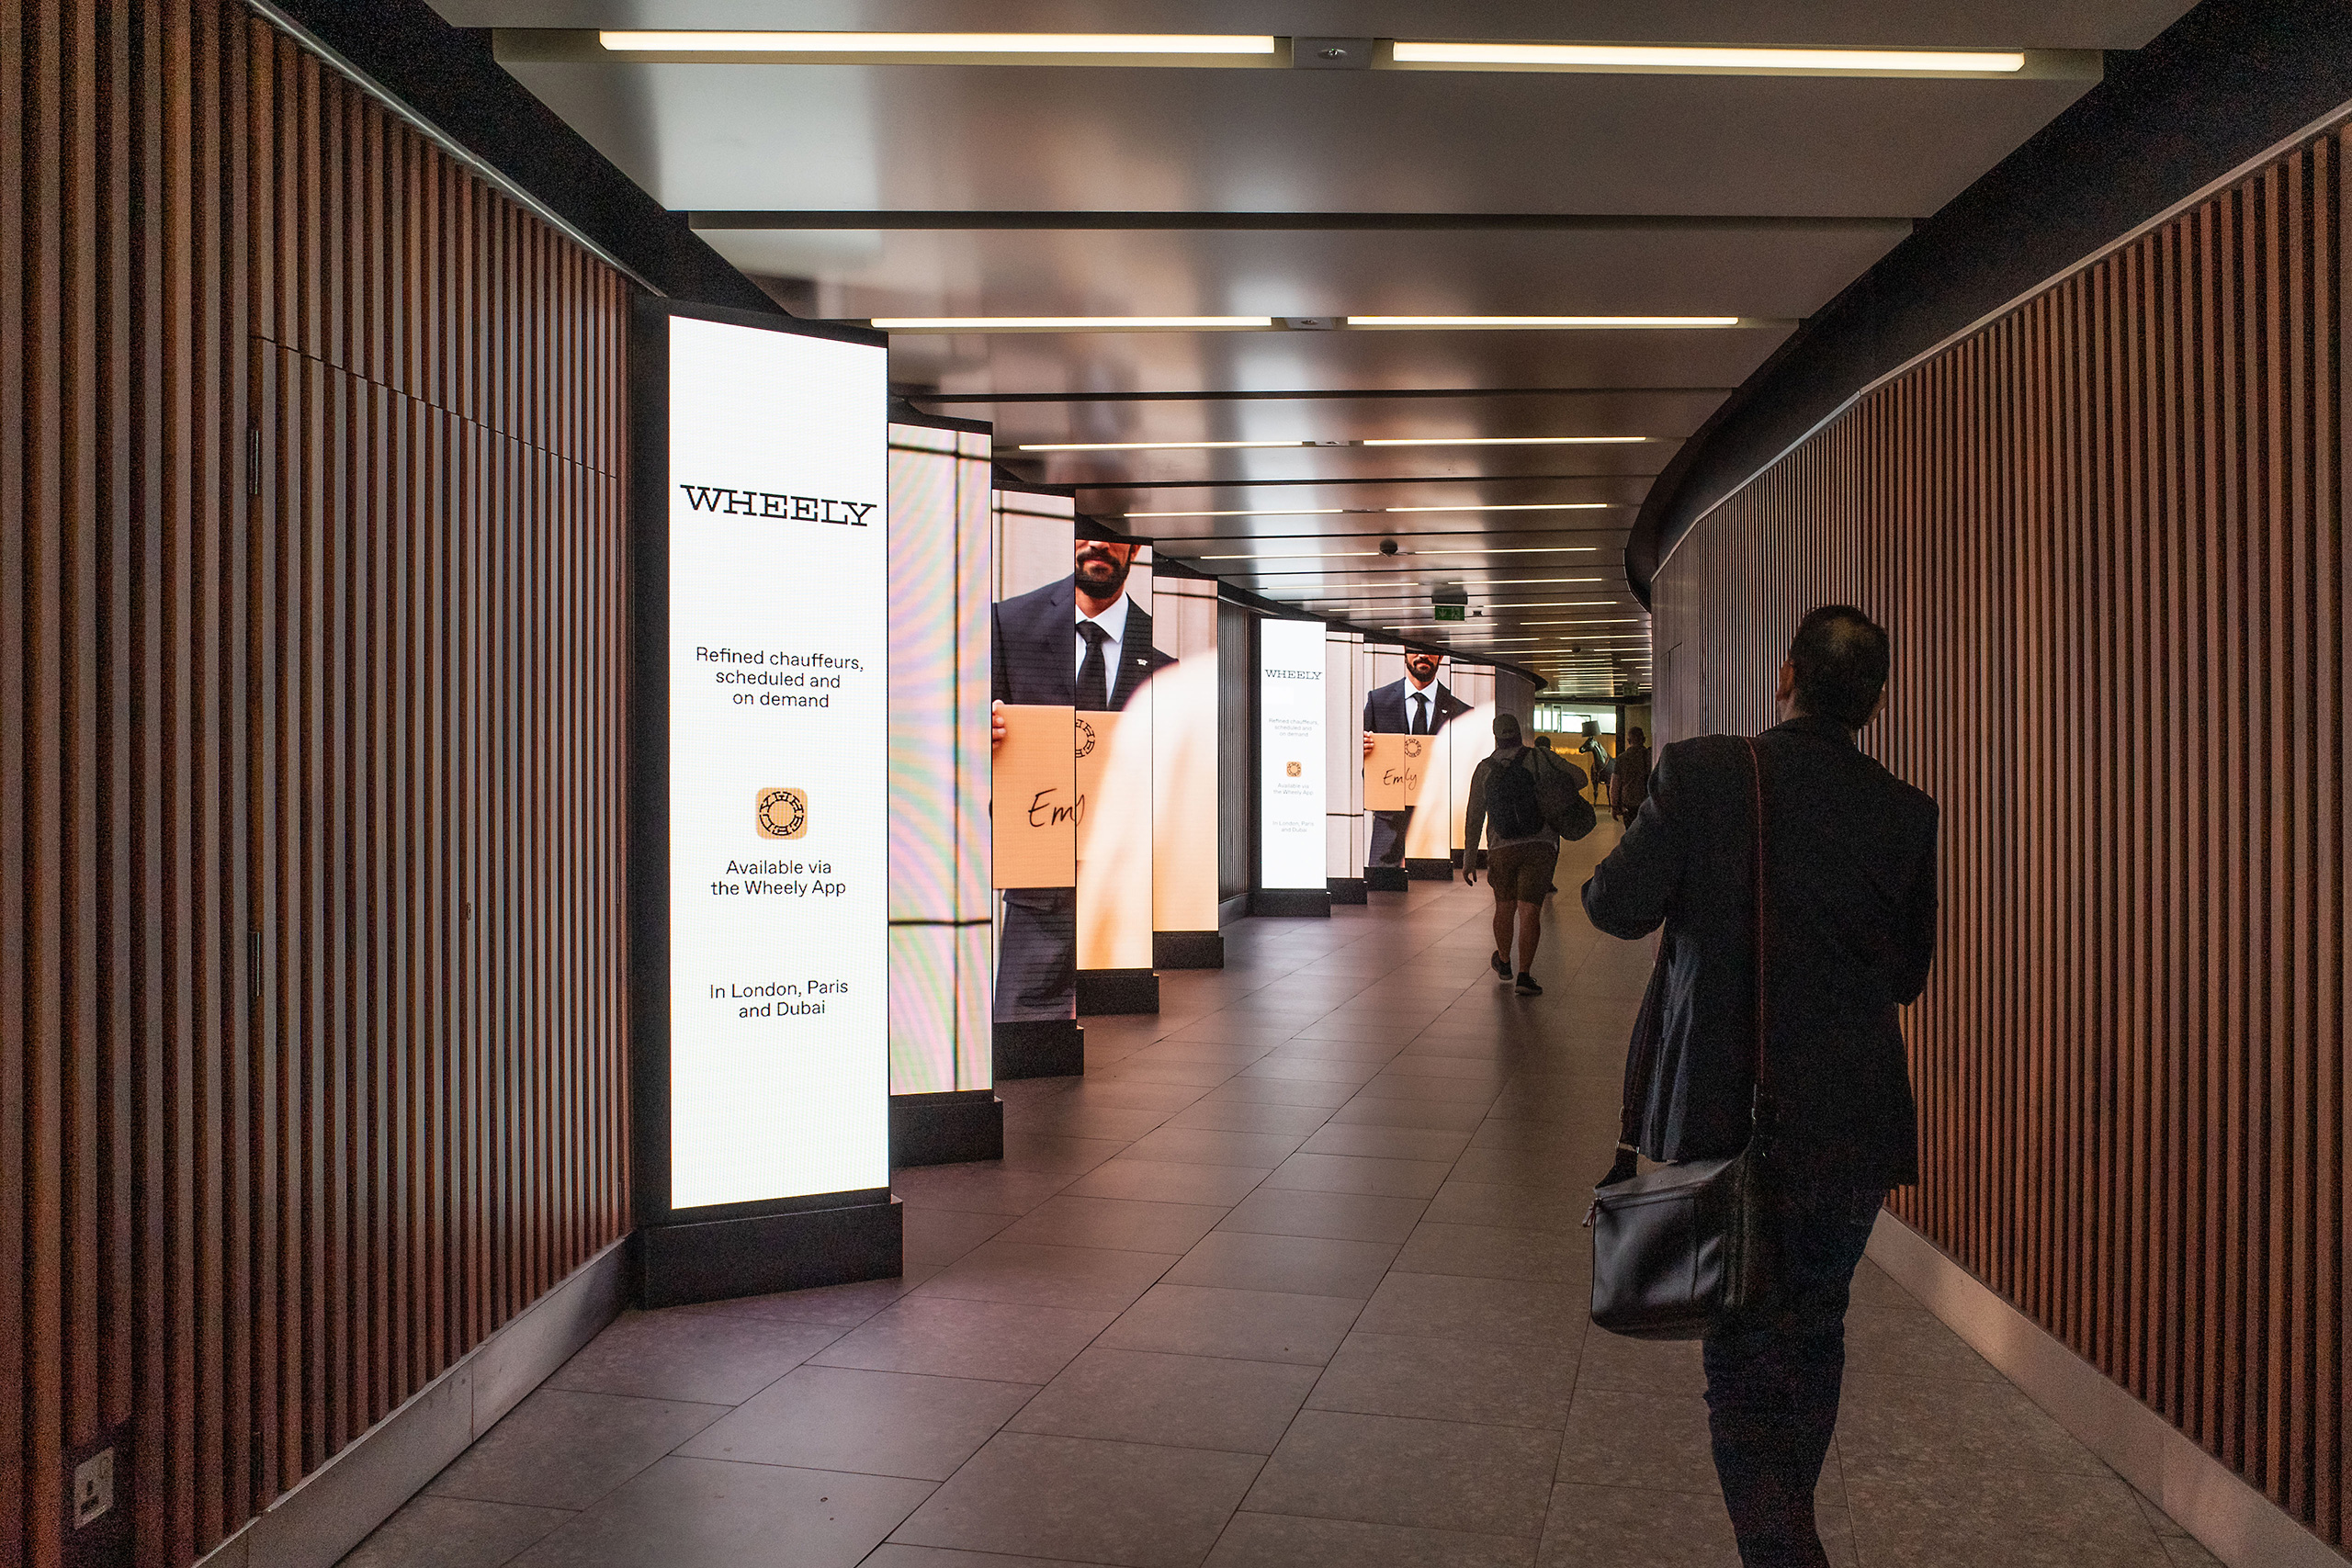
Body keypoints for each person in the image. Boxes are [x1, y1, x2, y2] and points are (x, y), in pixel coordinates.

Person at [1580, 605, 1937, 1568]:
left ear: (1786, 676)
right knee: (1815, 1328)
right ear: (1876, 702)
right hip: (1855, 1121)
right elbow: (1908, 977)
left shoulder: (1702, 774)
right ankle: (1787, 1531)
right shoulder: (1908, 812)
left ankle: (1782, 1550)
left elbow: (1614, 907)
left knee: (1738, 1349)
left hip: (1730, 1115)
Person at [989, 536, 1175, 1021]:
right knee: (1027, 1031)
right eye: (1084, 529)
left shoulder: (1164, 646)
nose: (1096, 543)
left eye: (1111, 532)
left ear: (1135, 548)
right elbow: (958, 724)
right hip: (1039, 871)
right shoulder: (1009, 623)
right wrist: (976, 729)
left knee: (1129, 1036)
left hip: (1128, 874)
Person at [1463, 712, 1589, 996]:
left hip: (1501, 847)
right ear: (1519, 733)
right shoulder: (1541, 757)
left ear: (1496, 737)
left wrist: (1469, 857)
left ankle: (1504, 961)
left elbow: (1474, 815)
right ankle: (1524, 976)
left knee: (1504, 906)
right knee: (1530, 909)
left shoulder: (1484, 769)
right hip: (1540, 845)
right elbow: (1580, 779)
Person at [1361, 649, 1472, 871]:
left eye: (1430, 650)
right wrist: (1361, 749)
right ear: (1404, 653)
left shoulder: (1461, 712)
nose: (1423, 655)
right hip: (1388, 823)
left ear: (1441, 657)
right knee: (1382, 888)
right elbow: (1356, 756)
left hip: (1437, 824)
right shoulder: (1378, 701)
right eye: (1415, 649)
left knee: (1432, 888)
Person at [1611, 725, 1652, 827]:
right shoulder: (1650, 756)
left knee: (1631, 831)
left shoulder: (1621, 758)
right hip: (1648, 803)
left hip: (1628, 804)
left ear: (1629, 741)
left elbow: (1615, 785)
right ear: (1644, 740)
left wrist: (1614, 806)